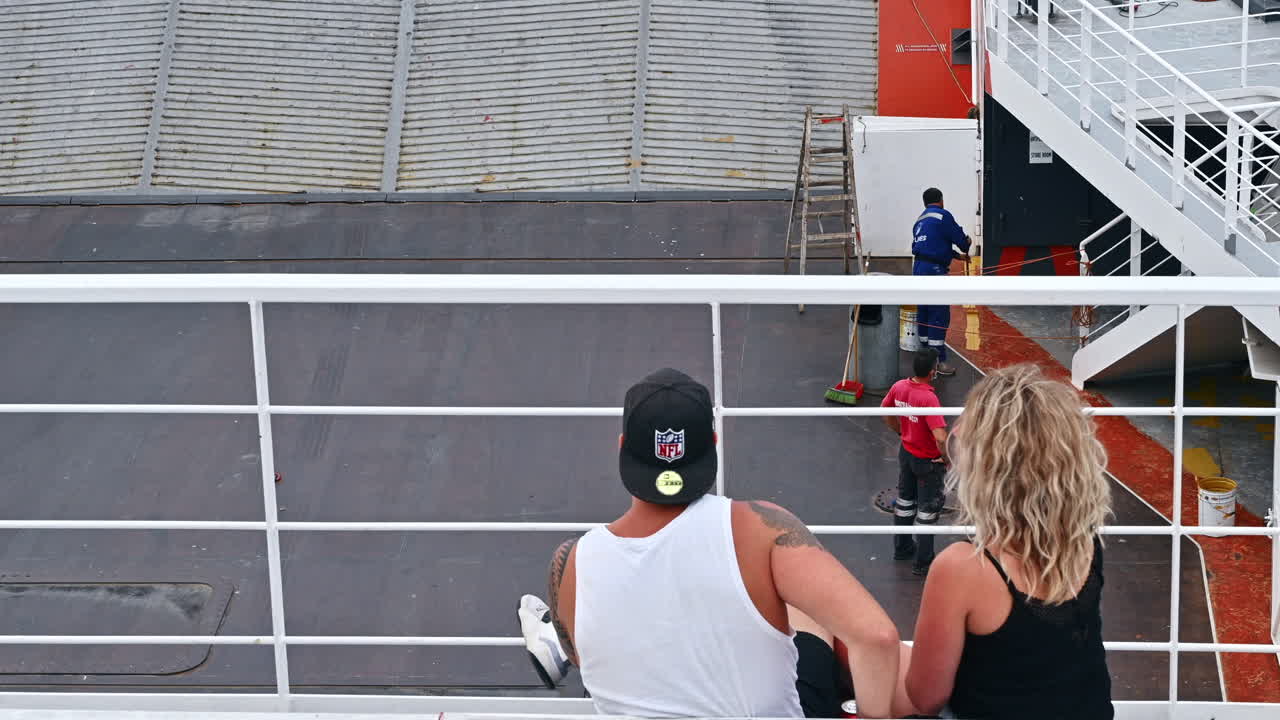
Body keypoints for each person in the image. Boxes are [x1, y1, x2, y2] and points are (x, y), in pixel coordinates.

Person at [517, 368, 904, 718]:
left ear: (622, 447)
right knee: (801, 608)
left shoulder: (571, 561)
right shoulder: (762, 529)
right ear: (713, 443)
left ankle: (552, 637)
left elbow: (586, 659)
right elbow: (877, 638)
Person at [904, 364, 1114, 719]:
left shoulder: (963, 568)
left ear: (991, 465)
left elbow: (926, 698)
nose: (956, 432)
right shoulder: (1084, 540)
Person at [881, 348, 948, 577]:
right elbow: (940, 436)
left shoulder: (899, 387)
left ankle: (902, 548)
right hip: (927, 460)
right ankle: (923, 562)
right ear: (932, 372)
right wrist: (946, 457)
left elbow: (885, 411)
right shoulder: (928, 398)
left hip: (907, 453)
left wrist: (901, 432)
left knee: (905, 502)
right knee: (927, 511)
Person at [911, 187, 971, 376]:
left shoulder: (919, 220)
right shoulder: (943, 216)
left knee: (924, 310)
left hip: (918, 268)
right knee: (938, 314)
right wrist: (967, 242)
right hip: (935, 271)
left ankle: (924, 358)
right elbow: (961, 241)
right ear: (941, 200)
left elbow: (932, 246)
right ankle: (938, 362)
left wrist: (957, 256)